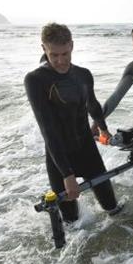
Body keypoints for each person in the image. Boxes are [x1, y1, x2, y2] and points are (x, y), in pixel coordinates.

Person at [25, 22, 121, 222]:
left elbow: (92, 105)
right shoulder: (35, 80)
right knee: (71, 222)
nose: (60, 61)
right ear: (44, 49)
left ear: (72, 46)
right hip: (59, 157)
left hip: (87, 150)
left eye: (65, 54)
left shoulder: (83, 74)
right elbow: (47, 129)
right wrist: (67, 174)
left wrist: (103, 128)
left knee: (113, 209)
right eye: (54, 55)